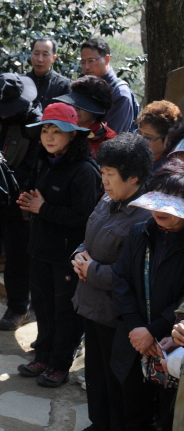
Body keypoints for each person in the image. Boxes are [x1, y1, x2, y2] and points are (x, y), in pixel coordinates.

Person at [70, 133, 153, 430]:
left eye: (110, 174)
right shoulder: (108, 199)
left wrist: (92, 271)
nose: (103, 180)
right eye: (102, 172)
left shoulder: (145, 217)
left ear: (133, 177)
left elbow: (136, 274)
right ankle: (99, 423)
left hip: (118, 316)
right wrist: (78, 255)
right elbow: (90, 236)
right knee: (96, 375)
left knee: (119, 381)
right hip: (91, 305)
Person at [16, 102, 100, 387]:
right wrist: (27, 200)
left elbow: (84, 217)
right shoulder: (42, 160)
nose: (49, 137)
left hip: (67, 256)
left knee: (65, 311)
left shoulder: (85, 170)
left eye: (57, 131)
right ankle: (42, 356)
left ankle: (60, 364)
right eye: (45, 130)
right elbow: (32, 194)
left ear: (73, 135)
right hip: (39, 249)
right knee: (42, 306)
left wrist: (43, 208)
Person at [112, 159, 184, 430]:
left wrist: (153, 331)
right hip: (133, 341)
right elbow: (121, 279)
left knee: (168, 418)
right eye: (157, 202)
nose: (159, 211)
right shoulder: (139, 231)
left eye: (170, 205)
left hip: (172, 345)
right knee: (133, 415)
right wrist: (137, 329)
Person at [0, 73, 41, 330]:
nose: (2, 113)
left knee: (16, 257)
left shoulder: (35, 124)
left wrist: (8, 186)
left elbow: (33, 167)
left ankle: (18, 308)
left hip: (19, 200)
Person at [80, 38, 137, 134]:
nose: (86, 67)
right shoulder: (85, 88)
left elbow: (111, 136)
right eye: (83, 62)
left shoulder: (119, 93)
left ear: (107, 59)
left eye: (91, 61)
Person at [54, 75, 116, 156]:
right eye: (73, 102)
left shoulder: (109, 142)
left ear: (97, 110)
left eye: (83, 105)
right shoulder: (57, 129)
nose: (75, 108)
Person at [136, 100, 182, 181]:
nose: (141, 140)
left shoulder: (167, 175)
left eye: (148, 138)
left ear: (168, 139)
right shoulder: (132, 157)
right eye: (139, 133)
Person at [26, 37, 70, 110]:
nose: (40, 59)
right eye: (36, 54)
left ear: (53, 58)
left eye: (45, 54)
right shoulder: (21, 82)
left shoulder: (63, 85)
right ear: (31, 55)